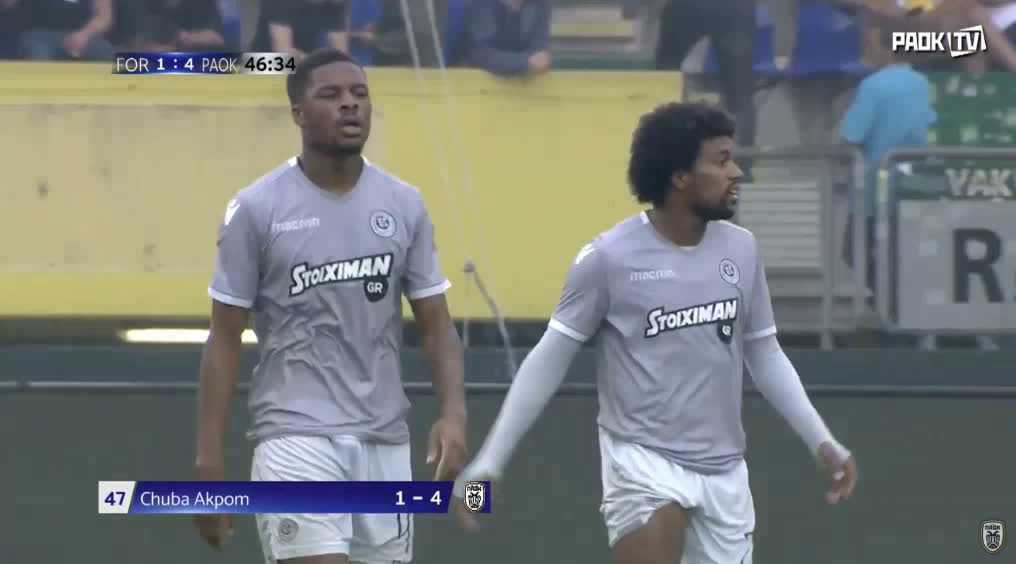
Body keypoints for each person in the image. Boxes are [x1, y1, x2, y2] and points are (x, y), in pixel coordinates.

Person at [454, 103, 858, 563]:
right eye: (722, 160)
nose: (737, 172)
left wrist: (823, 441)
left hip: (724, 471)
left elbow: (765, 354)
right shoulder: (608, 258)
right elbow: (548, 359)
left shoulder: (742, 250)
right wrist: (490, 462)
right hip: (642, 461)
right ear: (680, 176)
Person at [193, 48, 469, 564]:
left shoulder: (404, 203)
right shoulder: (256, 208)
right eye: (332, 95)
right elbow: (224, 336)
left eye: (359, 94)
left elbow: (436, 324)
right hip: (295, 436)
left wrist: (453, 415)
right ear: (299, 114)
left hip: (384, 440)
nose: (350, 104)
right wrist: (208, 461)